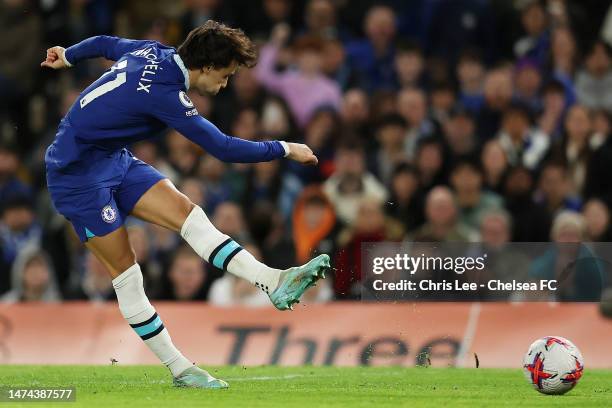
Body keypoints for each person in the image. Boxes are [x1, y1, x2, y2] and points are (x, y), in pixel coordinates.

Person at [41, 20, 330, 389]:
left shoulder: (151, 50)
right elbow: (223, 148)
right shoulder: (165, 93)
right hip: (76, 177)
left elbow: (103, 42)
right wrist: (287, 148)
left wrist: (68, 55)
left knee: (190, 215)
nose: (224, 84)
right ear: (206, 67)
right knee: (127, 274)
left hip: (113, 159)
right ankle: (180, 368)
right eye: (224, 76)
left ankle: (271, 280)